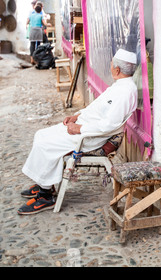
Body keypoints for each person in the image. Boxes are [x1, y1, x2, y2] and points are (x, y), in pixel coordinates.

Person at [18, 49, 139, 215]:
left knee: (44, 144)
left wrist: (80, 128)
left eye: (111, 64)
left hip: (91, 137)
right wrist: (77, 116)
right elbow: (96, 108)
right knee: (41, 135)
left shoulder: (125, 92)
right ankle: (44, 183)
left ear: (117, 70)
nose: (110, 66)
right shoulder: (120, 86)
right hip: (86, 127)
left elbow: (109, 125)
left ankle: (46, 196)